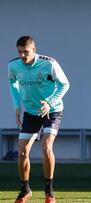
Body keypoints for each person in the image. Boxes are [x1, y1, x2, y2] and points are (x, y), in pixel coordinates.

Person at [8, 36, 70, 203]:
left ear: (34, 50)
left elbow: (64, 84)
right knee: (21, 152)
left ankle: (49, 193)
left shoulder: (49, 63)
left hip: (52, 110)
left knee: (46, 146)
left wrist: (50, 102)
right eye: (19, 52)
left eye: (25, 52)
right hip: (31, 112)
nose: (22, 55)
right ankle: (24, 190)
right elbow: (11, 82)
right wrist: (16, 106)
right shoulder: (13, 65)